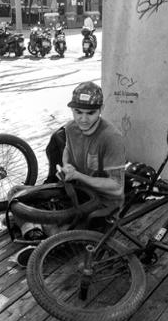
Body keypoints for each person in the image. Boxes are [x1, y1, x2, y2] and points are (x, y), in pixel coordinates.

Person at [11, 81, 126, 266]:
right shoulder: (71, 128)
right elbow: (67, 151)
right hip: (75, 192)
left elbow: (117, 188)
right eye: (78, 112)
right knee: (15, 193)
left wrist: (80, 176)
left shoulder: (111, 137)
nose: (83, 119)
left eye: (90, 113)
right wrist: (66, 167)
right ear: (72, 110)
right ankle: (36, 235)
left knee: (58, 229)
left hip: (101, 204)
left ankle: (37, 234)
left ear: (101, 109)